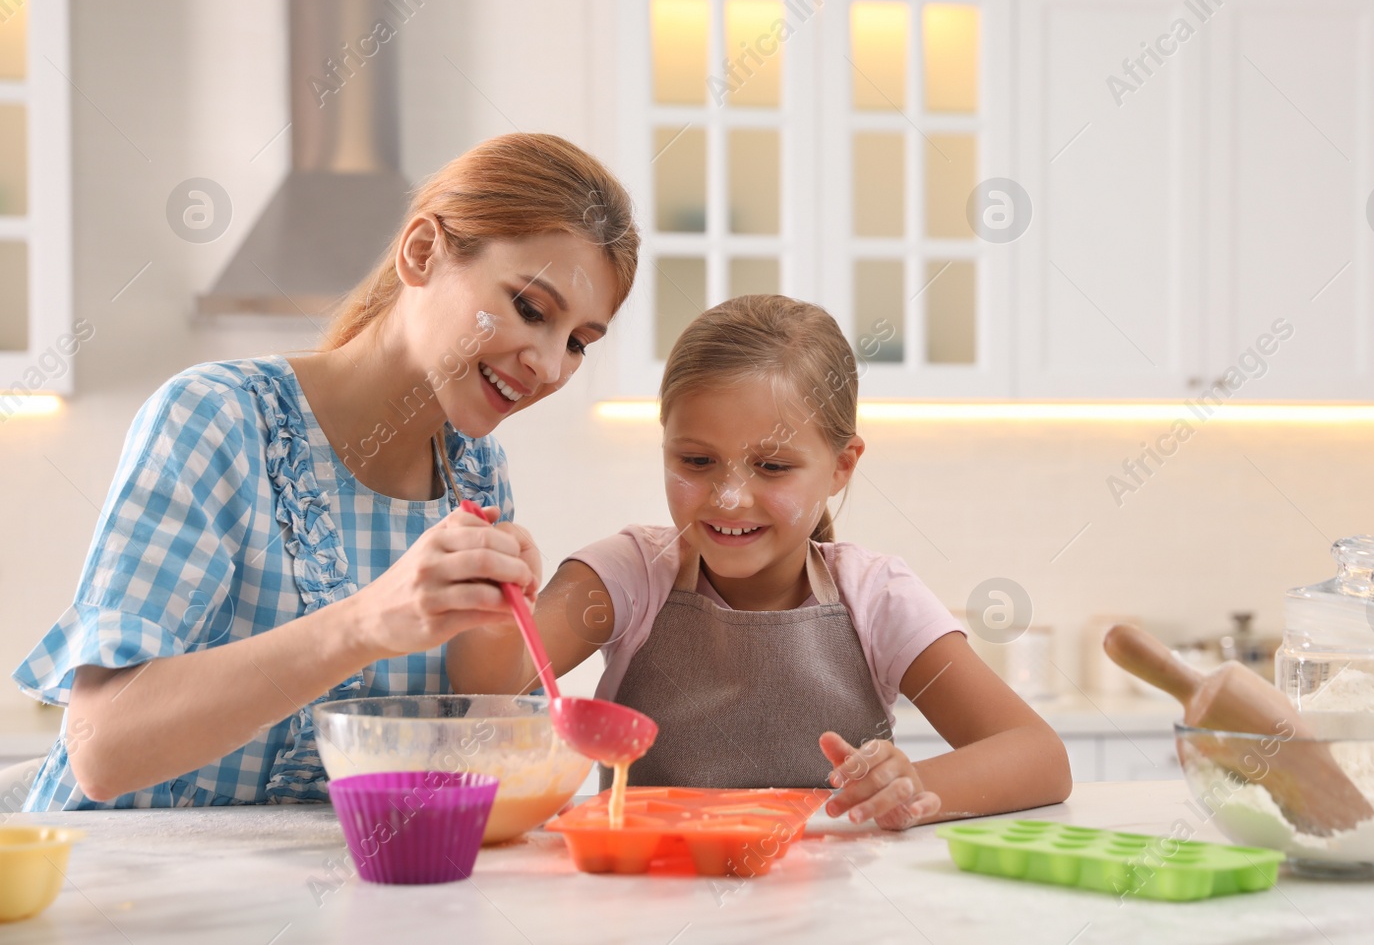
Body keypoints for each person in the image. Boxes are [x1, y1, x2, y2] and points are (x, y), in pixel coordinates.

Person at [13, 133, 639, 809]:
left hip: (321, 895)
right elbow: (102, 748)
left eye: (578, 341)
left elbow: (452, 744)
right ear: (422, 251)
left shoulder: (477, 473)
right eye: (530, 308)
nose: (549, 364)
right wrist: (364, 621)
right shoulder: (217, 418)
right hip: (115, 888)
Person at [532, 295, 1071, 830]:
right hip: (654, 897)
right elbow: (482, 682)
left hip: (833, 907)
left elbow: (1041, 757)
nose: (729, 498)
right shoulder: (630, 574)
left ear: (841, 467)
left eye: (771, 466)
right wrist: (472, 594)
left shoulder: (876, 597)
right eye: (697, 461)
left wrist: (912, 785)